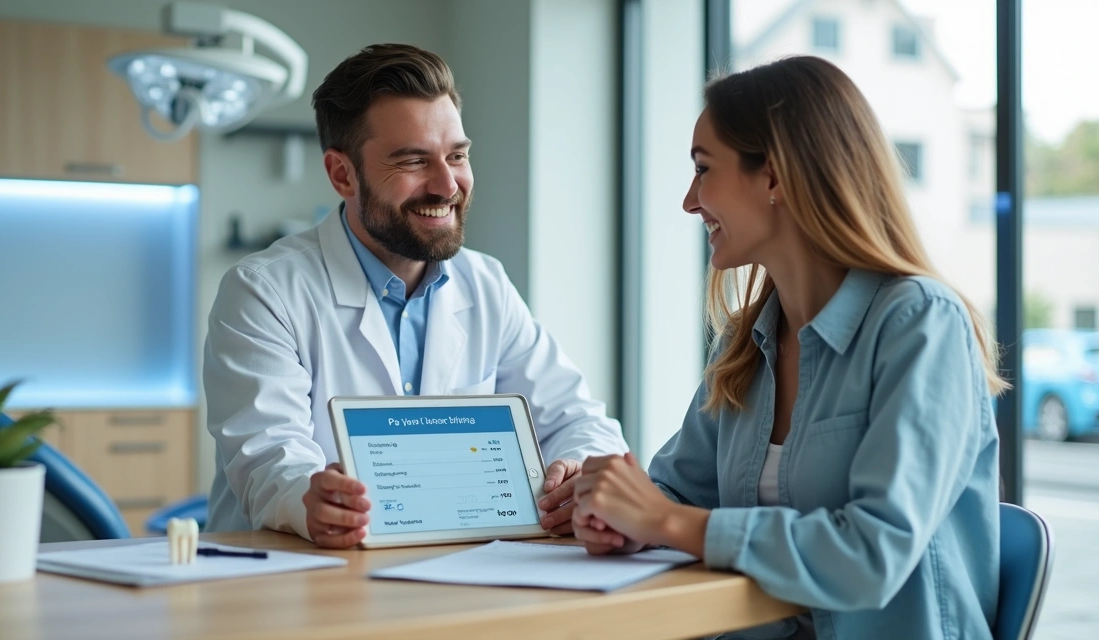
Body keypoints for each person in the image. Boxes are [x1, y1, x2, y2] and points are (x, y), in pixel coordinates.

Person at [571, 56, 1007, 639]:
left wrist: (668, 520)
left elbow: (872, 554)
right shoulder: (746, 345)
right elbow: (677, 492)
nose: (689, 202)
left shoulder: (921, 324)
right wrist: (622, 516)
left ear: (774, 177)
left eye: (704, 170)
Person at [203, 43, 628, 548]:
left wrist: (576, 472)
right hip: (296, 583)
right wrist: (310, 500)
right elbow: (267, 459)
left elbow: (577, 418)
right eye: (413, 160)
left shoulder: (485, 284)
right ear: (343, 174)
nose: (447, 185)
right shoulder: (264, 292)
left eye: (457, 156)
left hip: (454, 577)